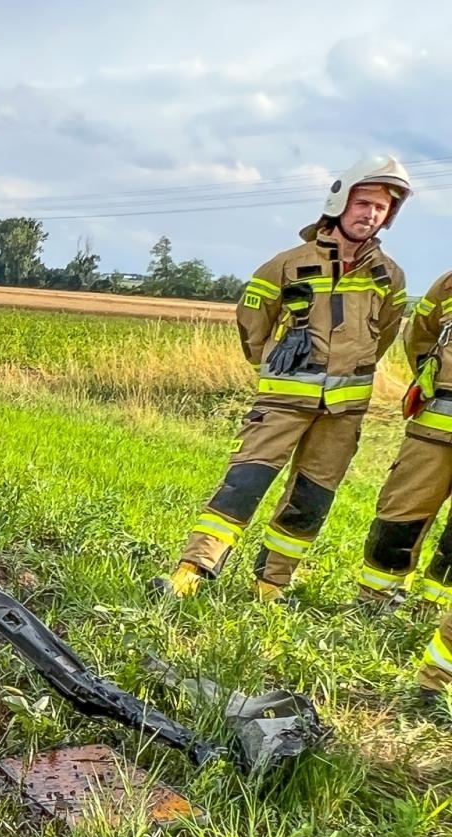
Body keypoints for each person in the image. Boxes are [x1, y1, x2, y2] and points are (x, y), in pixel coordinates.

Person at [153, 155, 411, 603]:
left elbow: (385, 334)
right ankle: (191, 572)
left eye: (381, 208)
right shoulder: (287, 265)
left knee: (310, 501)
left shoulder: (389, 278)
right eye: (363, 202)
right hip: (281, 406)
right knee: (243, 485)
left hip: (343, 415)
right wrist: (275, 371)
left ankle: (272, 585)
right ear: (340, 200)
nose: (370, 214)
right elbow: (252, 324)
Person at [358, 268, 452, 607]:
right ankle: (375, 599)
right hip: (433, 430)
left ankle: (434, 610)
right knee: (400, 515)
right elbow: (420, 337)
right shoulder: (448, 284)